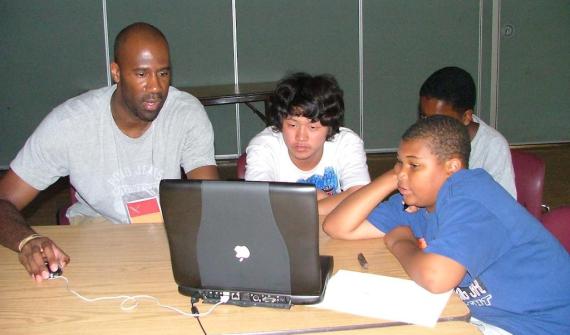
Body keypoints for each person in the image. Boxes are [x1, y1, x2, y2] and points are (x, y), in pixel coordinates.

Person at [0, 22, 219, 282]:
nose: (156, 88)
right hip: (97, 238)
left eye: (163, 73)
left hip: (166, 237)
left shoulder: (185, 113)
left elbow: (211, 199)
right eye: (141, 74)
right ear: (116, 72)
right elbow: (5, 200)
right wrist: (28, 240)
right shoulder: (70, 123)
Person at [323, 115, 570, 335]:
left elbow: (436, 277)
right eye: (399, 163)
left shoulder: (472, 197)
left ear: (452, 167)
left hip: (537, 325)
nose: (402, 174)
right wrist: (393, 177)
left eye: (415, 165)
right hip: (484, 318)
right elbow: (337, 226)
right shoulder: (418, 203)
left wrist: (400, 240)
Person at [244, 72, 370, 215]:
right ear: (280, 123)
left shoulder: (346, 142)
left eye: (313, 127)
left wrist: (308, 202)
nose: (301, 137)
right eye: (292, 125)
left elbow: (362, 197)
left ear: (330, 127)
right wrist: (324, 199)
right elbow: (259, 201)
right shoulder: (264, 146)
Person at [419, 66, 517, 198]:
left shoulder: (493, 147)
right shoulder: (422, 138)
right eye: (424, 117)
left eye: (440, 121)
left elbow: (503, 208)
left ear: (466, 117)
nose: (429, 127)